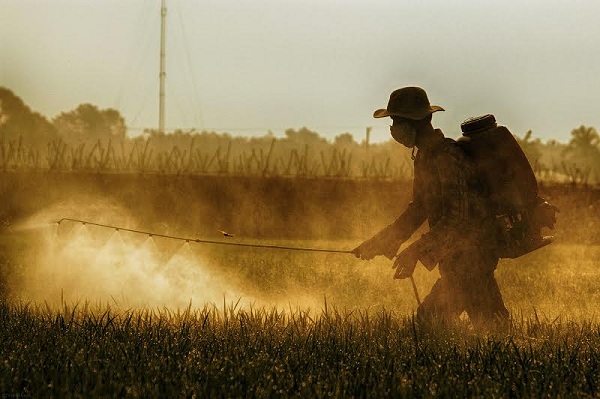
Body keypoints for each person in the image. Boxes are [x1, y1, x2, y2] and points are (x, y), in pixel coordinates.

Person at [352, 86, 509, 328]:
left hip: (472, 254)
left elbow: (458, 220)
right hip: (462, 257)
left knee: (432, 321)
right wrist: (381, 241)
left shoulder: (445, 157)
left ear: (412, 123)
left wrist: (415, 251)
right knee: (490, 323)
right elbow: (419, 209)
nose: (393, 129)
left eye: (395, 121)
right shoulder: (426, 156)